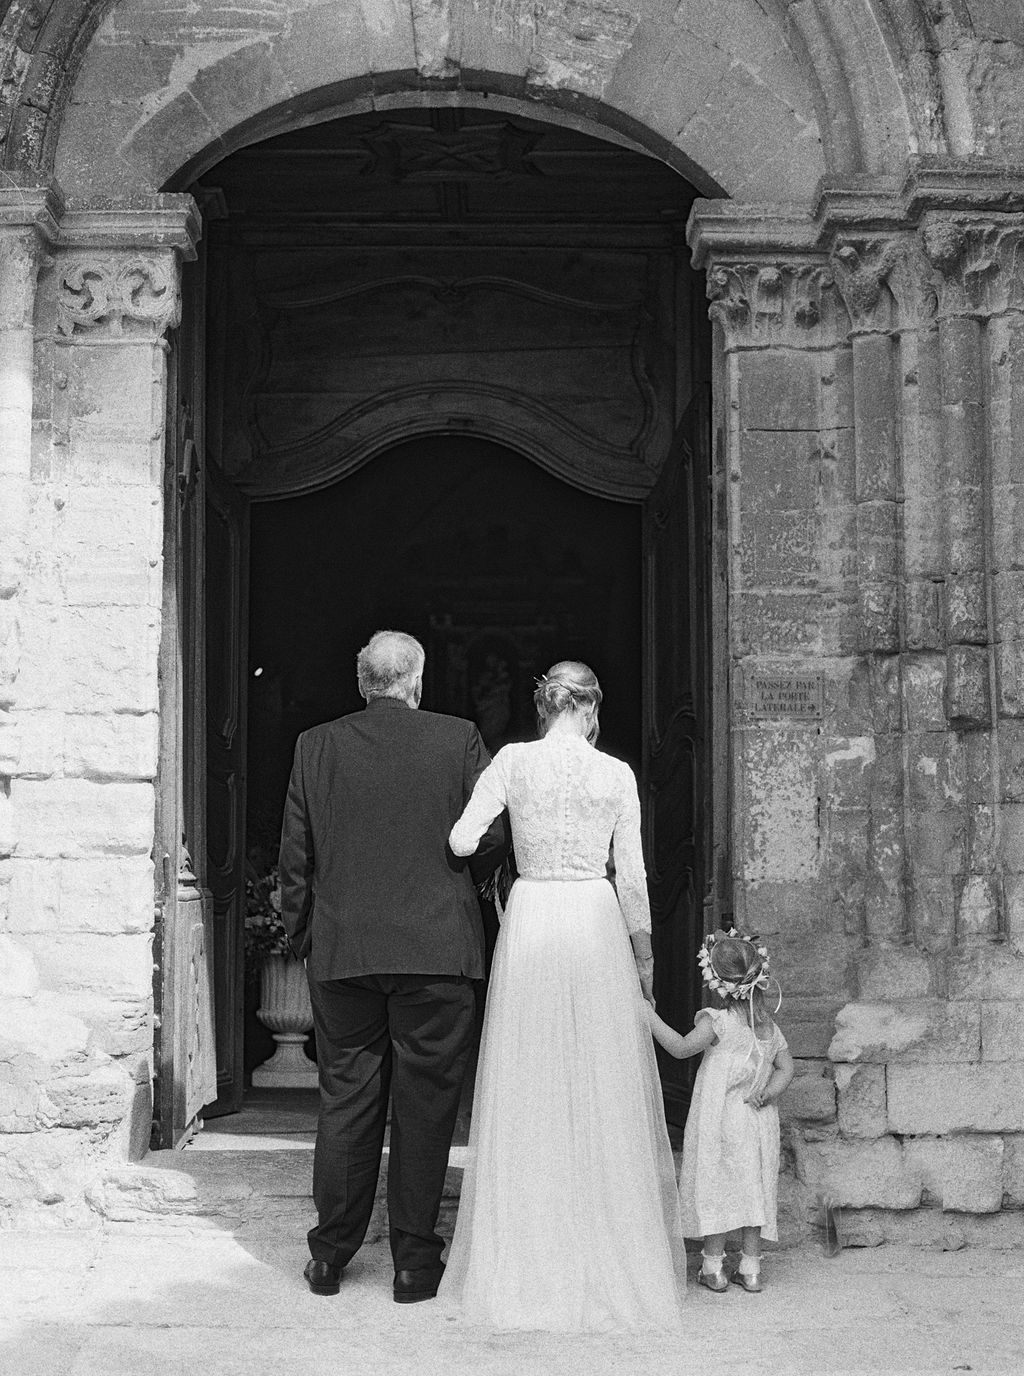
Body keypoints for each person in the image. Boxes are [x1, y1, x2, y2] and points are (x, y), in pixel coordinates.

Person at [438, 660, 686, 1332]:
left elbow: (462, 838)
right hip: (596, 918)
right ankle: (604, 1243)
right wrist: (645, 960)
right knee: (599, 1080)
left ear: (545, 706)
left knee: (531, 1080)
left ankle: (526, 1256)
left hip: (535, 914)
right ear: (592, 707)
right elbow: (631, 878)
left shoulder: (514, 761)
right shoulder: (616, 775)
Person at [278, 630, 508, 1303]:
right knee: (425, 1107)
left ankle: (330, 1256)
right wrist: (468, 895)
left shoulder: (315, 746)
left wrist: (303, 937)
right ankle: (412, 1263)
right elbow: (491, 833)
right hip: (437, 950)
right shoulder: (459, 738)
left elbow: (296, 854)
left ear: (362, 681)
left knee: (345, 1101)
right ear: (416, 680)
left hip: (345, 950)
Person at [645, 929, 794, 1293]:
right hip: (757, 1121)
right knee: (753, 1186)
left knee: (717, 1183)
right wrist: (767, 1093)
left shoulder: (717, 1022)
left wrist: (646, 1015)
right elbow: (787, 1068)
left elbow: (680, 1048)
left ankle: (713, 1267)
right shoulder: (768, 1028)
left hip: (721, 1120)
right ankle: (752, 1267)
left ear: (717, 983)